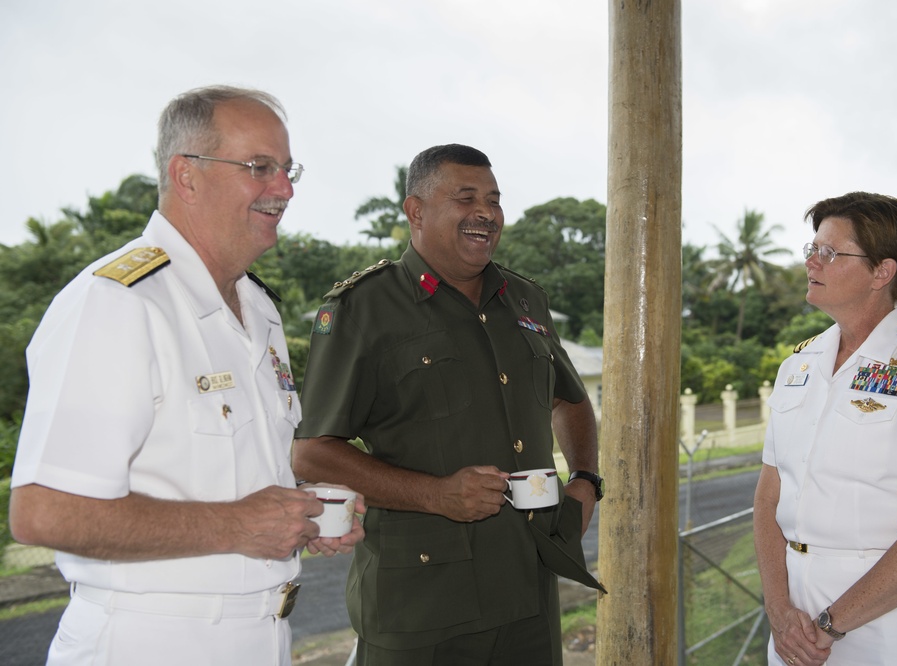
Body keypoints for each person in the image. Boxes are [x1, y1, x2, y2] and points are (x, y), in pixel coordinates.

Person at [8, 85, 364, 666]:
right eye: (260, 167)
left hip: (261, 638)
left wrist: (297, 517)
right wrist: (238, 526)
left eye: (288, 168)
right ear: (187, 176)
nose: (286, 188)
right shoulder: (119, 303)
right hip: (147, 643)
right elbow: (43, 511)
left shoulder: (260, 310)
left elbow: (224, 485)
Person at [293, 143, 606, 665]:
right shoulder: (363, 308)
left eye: (494, 200)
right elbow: (312, 454)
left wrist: (586, 479)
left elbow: (569, 398)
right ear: (416, 211)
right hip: (420, 602)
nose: (485, 212)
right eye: (466, 198)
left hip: (528, 586)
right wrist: (436, 494)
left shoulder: (525, 299)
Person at [753, 192, 897, 666]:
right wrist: (779, 611)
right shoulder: (798, 363)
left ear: (883, 272)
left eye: (831, 253)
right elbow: (767, 499)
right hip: (794, 619)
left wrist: (830, 626)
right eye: (811, 249)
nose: (812, 262)